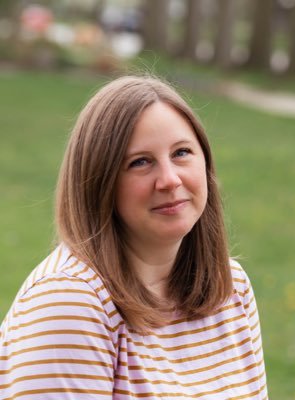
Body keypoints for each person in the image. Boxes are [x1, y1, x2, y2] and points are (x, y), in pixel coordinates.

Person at [0, 75, 268, 399]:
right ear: (99, 183)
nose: (169, 179)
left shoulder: (231, 288)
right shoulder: (70, 304)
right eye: (140, 162)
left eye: (181, 153)